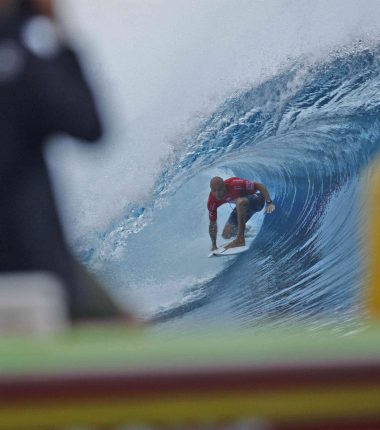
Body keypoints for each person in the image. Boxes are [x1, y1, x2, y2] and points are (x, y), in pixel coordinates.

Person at [0, 0, 133, 322]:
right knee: (125, 333)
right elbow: (89, 126)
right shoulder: (22, 70)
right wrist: (58, 32)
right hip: (32, 268)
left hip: (32, 265)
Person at [208, 177, 275, 251]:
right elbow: (212, 224)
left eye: (219, 190)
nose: (217, 193)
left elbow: (259, 185)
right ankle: (246, 230)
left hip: (257, 201)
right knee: (226, 234)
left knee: (240, 202)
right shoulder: (212, 201)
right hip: (242, 207)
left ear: (224, 186)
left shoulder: (235, 184)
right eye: (214, 190)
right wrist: (214, 245)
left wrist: (269, 202)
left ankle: (240, 239)